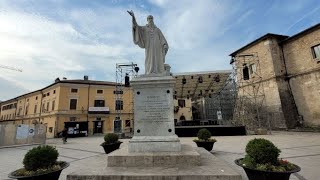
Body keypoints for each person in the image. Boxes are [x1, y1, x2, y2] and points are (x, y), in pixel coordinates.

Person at [127, 10, 169, 75]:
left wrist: (164, 45)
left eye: (151, 18)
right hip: (149, 47)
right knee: (149, 59)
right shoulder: (144, 28)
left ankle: (158, 71)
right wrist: (133, 17)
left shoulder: (157, 29)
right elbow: (136, 27)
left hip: (157, 47)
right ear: (147, 20)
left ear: (153, 19)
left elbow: (162, 38)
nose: (150, 19)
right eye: (149, 18)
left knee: (157, 59)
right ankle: (149, 71)